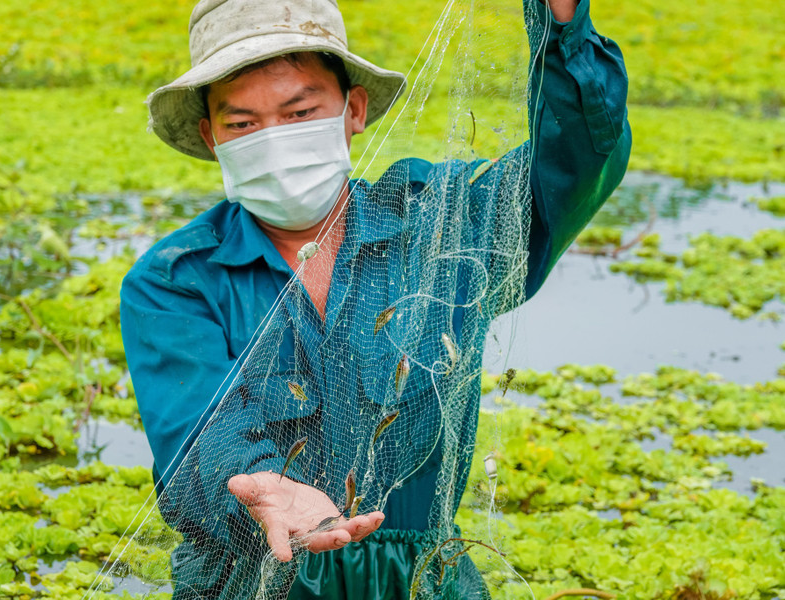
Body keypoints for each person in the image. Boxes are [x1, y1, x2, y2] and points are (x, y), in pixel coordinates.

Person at [120, 0, 631, 597]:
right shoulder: (175, 280)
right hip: (253, 579)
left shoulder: (444, 225)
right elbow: (198, 437)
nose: (275, 140)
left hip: (421, 579)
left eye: (299, 112)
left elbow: (576, 160)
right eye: (243, 124)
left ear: (354, 110)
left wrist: (562, 24)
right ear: (211, 137)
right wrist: (261, 489)